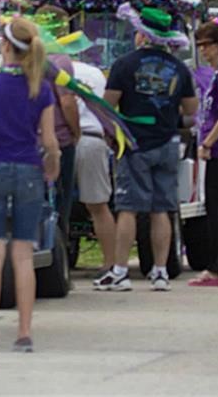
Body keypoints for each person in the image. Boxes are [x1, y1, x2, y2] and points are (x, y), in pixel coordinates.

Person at [0, 18, 60, 353]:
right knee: (23, 255)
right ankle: (24, 333)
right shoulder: (41, 89)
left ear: (4, 47)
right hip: (29, 172)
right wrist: (54, 164)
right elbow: (49, 140)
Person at [97, 5, 197, 291]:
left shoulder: (125, 64)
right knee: (161, 208)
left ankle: (119, 272)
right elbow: (191, 109)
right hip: (167, 142)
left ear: (141, 33)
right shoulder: (178, 67)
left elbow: (107, 106)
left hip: (134, 144)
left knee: (128, 208)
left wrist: (111, 135)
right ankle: (161, 271)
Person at [71, 59, 117, 279]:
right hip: (93, 137)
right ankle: (111, 264)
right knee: (99, 206)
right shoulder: (95, 73)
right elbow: (106, 107)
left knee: (53, 206)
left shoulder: (48, 70)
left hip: (65, 138)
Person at [191, 21, 218, 287]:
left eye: (207, 45)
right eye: (200, 45)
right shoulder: (214, 75)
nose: (204, 51)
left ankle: (217, 268)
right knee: (214, 208)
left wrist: (208, 143)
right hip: (216, 150)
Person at [46, 53, 80, 232]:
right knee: (60, 202)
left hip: (26, 143)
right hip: (59, 140)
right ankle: (59, 246)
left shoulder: (16, 61)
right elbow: (67, 102)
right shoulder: (61, 61)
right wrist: (76, 132)